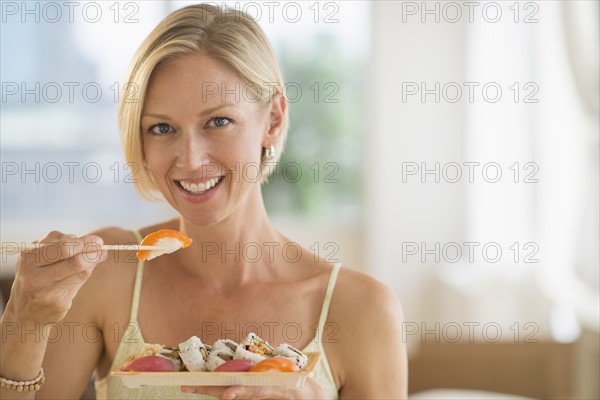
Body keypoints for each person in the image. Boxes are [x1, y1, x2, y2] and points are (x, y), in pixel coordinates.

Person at [0, 4, 407, 399]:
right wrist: (23, 319)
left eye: (218, 121)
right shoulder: (109, 274)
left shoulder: (362, 312)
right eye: (162, 127)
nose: (190, 159)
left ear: (274, 120)